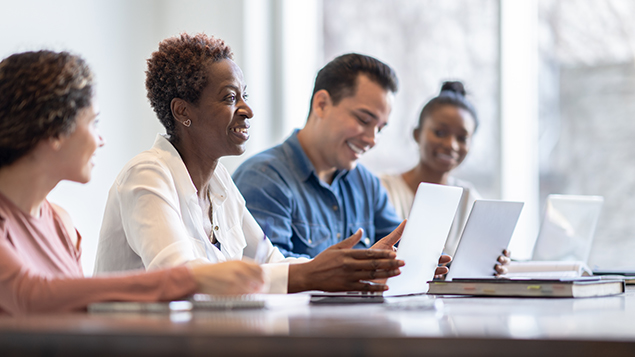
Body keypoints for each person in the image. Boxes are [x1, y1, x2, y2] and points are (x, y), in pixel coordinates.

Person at [94, 33, 405, 294]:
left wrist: (350, 268)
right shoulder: (147, 175)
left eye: (244, 95)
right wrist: (309, 274)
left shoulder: (220, 185)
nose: (248, 110)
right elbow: (183, 280)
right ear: (182, 111)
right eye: (230, 98)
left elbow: (269, 260)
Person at [0, 50, 266, 316]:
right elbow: (30, 296)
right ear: (55, 130)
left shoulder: (61, 225)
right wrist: (193, 278)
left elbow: (76, 316)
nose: (100, 139)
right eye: (94, 123)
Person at [380, 81, 480, 256]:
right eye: (440, 133)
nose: (451, 145)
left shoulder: (470, 201)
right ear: (417, 134)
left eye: (462, 138)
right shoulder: (383, 190)